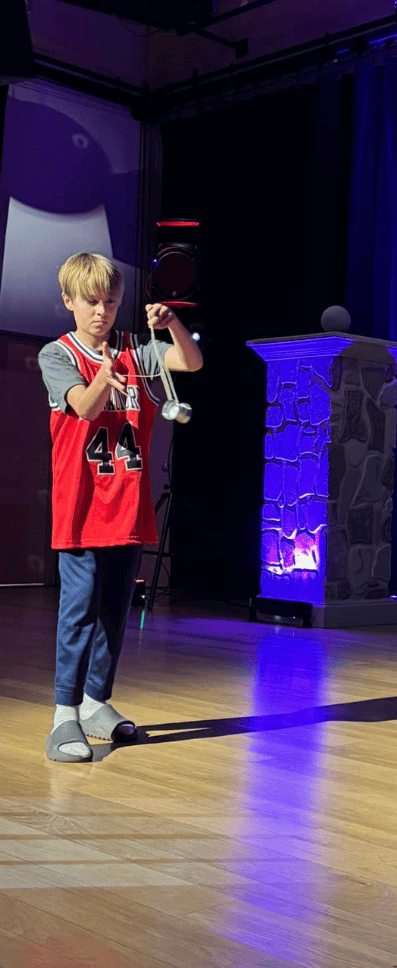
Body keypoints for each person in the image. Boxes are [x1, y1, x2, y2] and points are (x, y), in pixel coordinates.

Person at [38, 252, 203, 762]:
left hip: (128, 506)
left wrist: (172, 324)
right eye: (91, 301)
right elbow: (83, 407)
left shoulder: (135, 348)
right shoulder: (56, 354)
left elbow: (191, 362)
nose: (101, 311)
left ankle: (95, 703)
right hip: (82, 507)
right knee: (79, 612)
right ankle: (64, 715)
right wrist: (102, 380)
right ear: (68, 301)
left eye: (110, 302)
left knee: (114, 612)